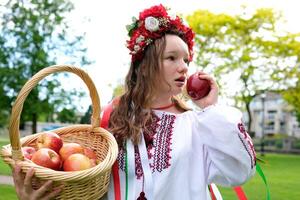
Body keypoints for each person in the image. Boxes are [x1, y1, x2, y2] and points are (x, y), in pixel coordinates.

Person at [12, 4, 256, 200]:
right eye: (172, 58)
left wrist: (210, 109)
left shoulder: (198, 123)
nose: (183, 67)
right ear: (145, 64)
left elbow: (238, 172)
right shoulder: (112, 116)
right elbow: (89, 183)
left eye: (187, 60)